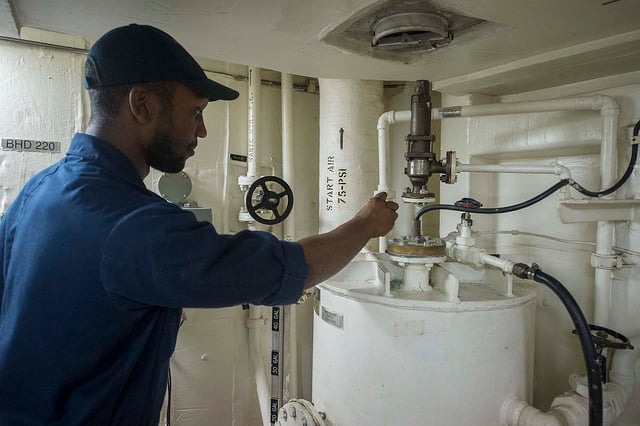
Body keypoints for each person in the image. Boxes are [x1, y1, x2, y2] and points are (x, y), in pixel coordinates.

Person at [0, 23, 398, 425]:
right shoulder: (132, 225)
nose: (202, 130)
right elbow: (290, 267)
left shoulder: (38, 191)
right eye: (195, 112)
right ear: (142, 105)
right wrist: (365, 223)